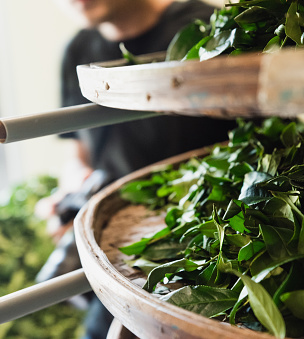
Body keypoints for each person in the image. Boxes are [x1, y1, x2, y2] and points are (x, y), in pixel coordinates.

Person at [36, 0, 236, 338]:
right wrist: (71, 193)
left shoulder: (205, 29)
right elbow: (80, 155)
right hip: (120, 250)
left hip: (204, 249)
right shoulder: (79, 49)